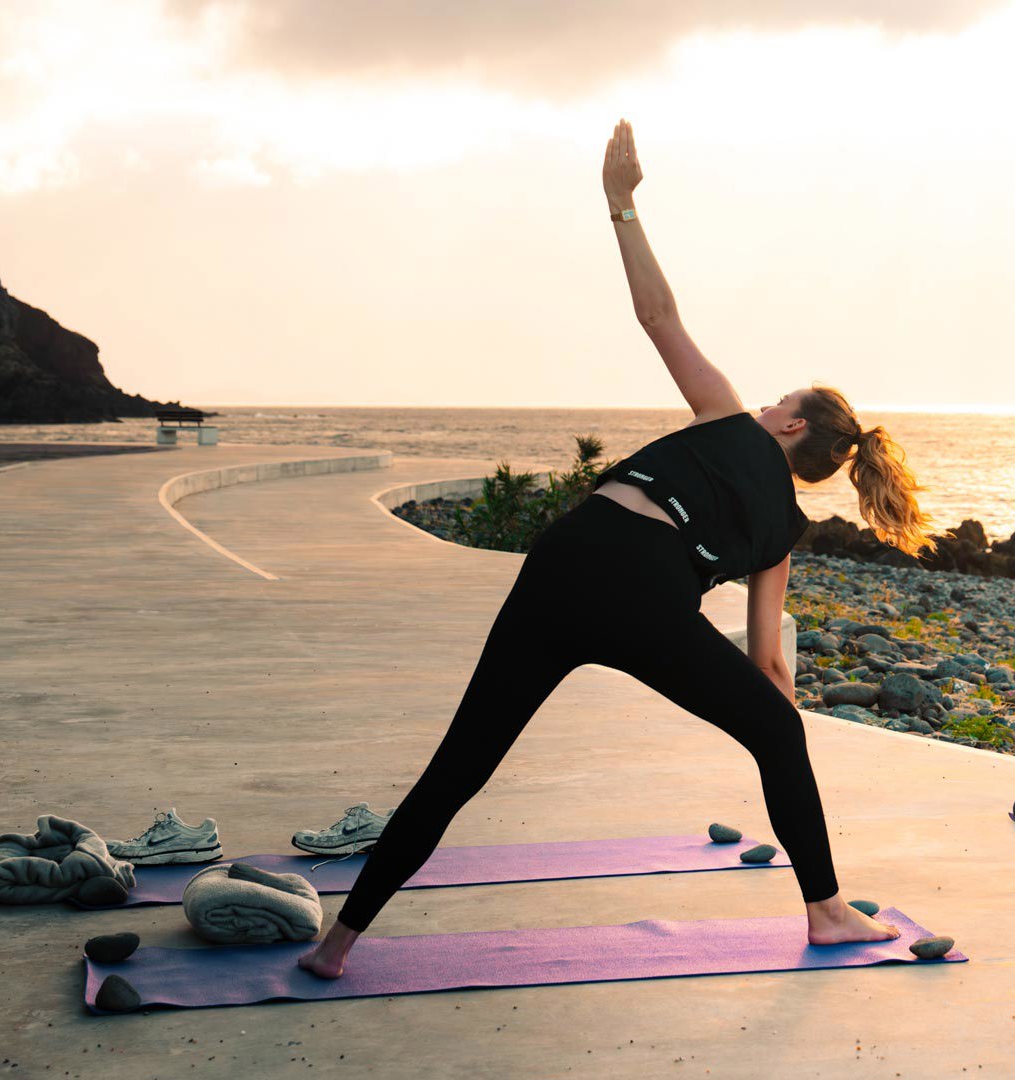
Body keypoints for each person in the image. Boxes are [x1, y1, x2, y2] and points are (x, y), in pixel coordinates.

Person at [300, 119, 934, 977]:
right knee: (779, 738)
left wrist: (620, 203)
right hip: (646, 599)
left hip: (570, 560)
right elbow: (769, 666)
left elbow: (656, 314)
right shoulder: (783, 532)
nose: (757, 407)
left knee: (460, 767)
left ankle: (338, 946)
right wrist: (777, 721)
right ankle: (825, 909)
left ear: (787, 423)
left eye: (772, 401)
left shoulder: (725, 418)